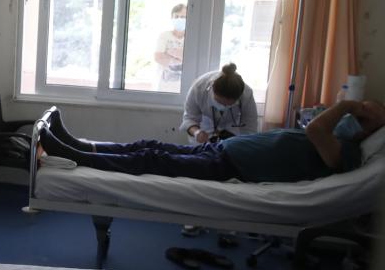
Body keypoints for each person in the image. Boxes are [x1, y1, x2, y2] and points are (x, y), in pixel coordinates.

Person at [39, 100, 385, 183]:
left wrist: (351, 105)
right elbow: (317, 119)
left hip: (229, 166)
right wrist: (356, 117)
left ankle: (72, 154)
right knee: (149, 144)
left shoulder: (345, 156)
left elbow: (314, 130)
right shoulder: (344, 136)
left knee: (150, 160)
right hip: (221, 150)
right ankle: (80, 144)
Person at [182, 63, 258, 143]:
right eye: (219, 102)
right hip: (205, 126)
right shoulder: (198, 88)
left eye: (229, 104)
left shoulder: (246, 94)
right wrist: (197, 132)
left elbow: (250, 127)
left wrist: (243, 146)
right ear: (212, 90)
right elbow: (189, 118)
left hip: (232, 126)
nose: (224, 106)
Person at [154, 3, 187, 91]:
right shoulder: (164, 36)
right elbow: (158, 57)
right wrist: (180, 57)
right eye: (176, 16)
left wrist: (169, 53)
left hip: (183, 89)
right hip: (163, 87)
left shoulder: (191, 39)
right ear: (172, 18)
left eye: (183, 17)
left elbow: (190, 60)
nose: (179, 19)